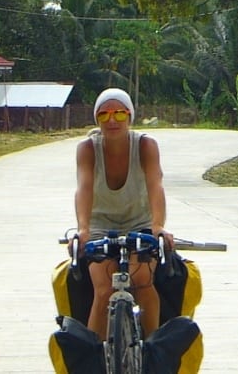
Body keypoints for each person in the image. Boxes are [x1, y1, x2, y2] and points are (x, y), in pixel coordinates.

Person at [73, 87, 173, 340]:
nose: (113, 121)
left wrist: (158, 225)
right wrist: (83, 230)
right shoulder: (87, 148)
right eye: (104, 115)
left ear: (130, 116)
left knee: (142, 282)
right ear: (97, 119)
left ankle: (153, 350)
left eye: (119, 113)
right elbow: (83, 189)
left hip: (140, 223)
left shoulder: (145, 145)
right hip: (100, 225)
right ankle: (94, 357)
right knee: (104, 288)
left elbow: (155, 185)